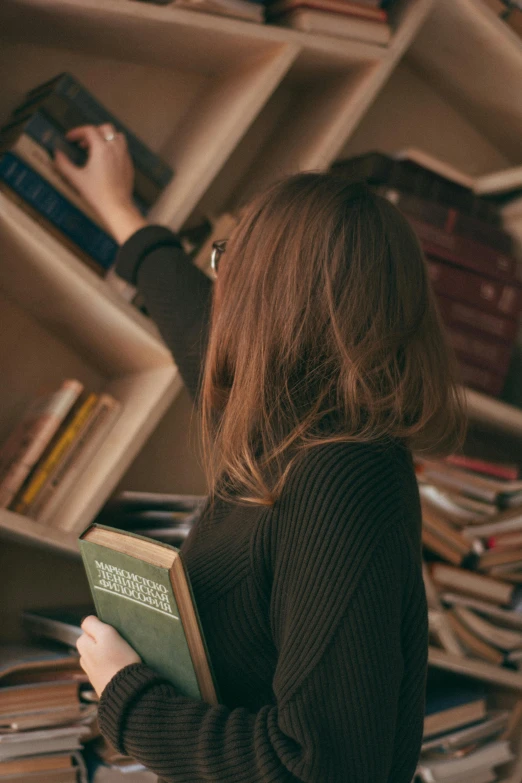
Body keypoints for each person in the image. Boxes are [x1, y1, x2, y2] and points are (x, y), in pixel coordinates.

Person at [56, 123, 466, 783]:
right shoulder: (279, 429)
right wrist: (120, 212)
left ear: (267, 298)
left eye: (225, 261)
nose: (219, 287)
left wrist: (126, 696)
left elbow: (321, 766)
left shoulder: (341, 476)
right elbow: (194, 328)